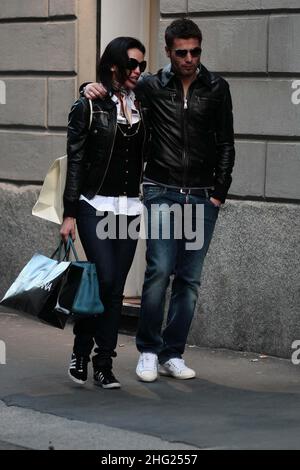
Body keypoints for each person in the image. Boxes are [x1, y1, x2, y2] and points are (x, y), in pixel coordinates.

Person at [83, 18, 235, 383]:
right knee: (159, 272)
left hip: (200, 197)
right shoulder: (151, 86)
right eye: (181, 52)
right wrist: (87, 86)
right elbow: (114, 86)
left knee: (189, 279)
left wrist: (218, 193)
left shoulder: (216, 87)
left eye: (195, 51)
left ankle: (172, 353)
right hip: (162, 191)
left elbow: (226, 143)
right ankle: (148, 350)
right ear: (168, 52)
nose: (189, 58)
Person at [60, 36, 148, 389]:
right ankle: (81, 349)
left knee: (114, 290)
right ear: (113, 66)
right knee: (107, 279)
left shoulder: (144, 102)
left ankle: (103, 363)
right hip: (94, 205)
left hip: (129, 207)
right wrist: (69, 214)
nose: (138, 71)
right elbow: (76, 161)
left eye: (142, 64)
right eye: (132, 64)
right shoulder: (89, 106)